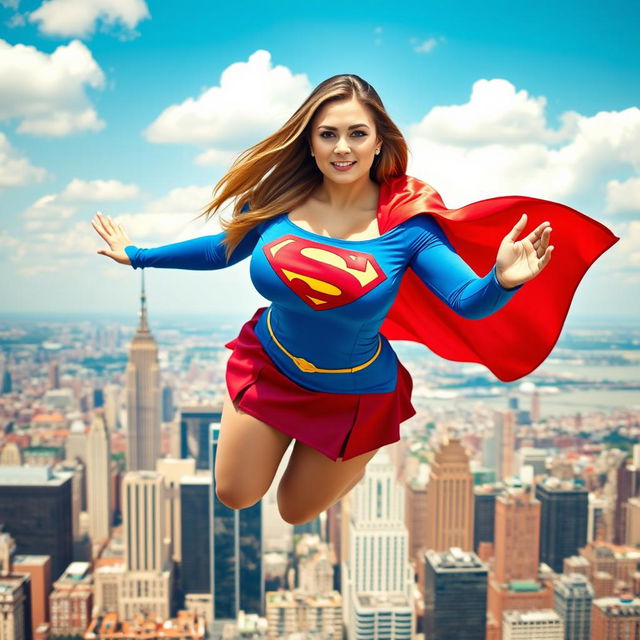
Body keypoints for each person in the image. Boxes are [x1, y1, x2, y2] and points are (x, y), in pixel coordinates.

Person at [91, 74, 618, 525]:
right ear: (311, 143)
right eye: (328, 134)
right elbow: (221, 248)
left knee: (294, 511)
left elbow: (466, 300)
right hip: (270, 364)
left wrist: (502, 280)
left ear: (377, 143)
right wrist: (137, 254)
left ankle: (357, 455)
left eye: (356, 134)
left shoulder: (407, 229)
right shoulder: (276, 205)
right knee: (235, 493)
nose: (342, 147)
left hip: (353, 393)